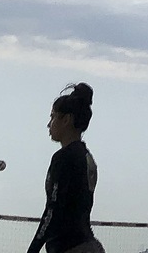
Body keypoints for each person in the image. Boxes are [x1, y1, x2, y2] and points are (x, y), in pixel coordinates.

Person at [26, 84, 102, 253]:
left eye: (53, 117)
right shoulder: (87, 158)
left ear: (66, 120)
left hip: (70, 246)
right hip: (88, 244)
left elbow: (53, 210)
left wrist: (33, 249)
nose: (49, 124)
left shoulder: (64, 158)